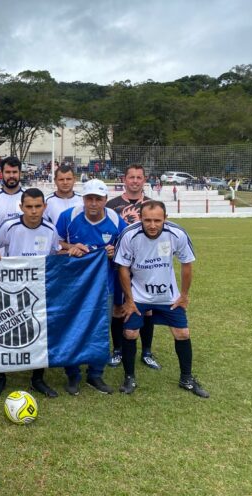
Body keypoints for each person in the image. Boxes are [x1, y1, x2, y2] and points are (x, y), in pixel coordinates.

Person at [115, 200, 209, 398]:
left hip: (168, 296)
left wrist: (183, 296)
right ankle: (129, 377)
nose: (152, 225)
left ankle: (186, 378)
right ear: (140, 218)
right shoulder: (129, 235)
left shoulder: (177, 234)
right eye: (147, 220)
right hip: (138, 295)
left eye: (157, 220)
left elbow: (187, 264)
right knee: (130, 333)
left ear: (165, 218)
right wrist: (129, 300)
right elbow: (122, 268)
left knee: (182, 333)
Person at [0, 188, 61, 398]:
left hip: (38, 290)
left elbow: (55, 253)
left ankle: (38, 378)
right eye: (29, 206)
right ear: (21, 207)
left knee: (38, 332)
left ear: (44, 207)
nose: (34, 211)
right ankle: (0, 375)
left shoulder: (50, 229)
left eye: (38, 206)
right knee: (4, 329)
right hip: (10, 288)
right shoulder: (9, 226)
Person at [55, 179, 126, 396]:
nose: (93, 203)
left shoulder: (115, 220)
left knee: (100, 329)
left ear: (105, 200)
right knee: (73, 326)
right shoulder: (69, 217)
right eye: (89, 198)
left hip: (104, 284)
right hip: (73, 285)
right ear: (83, 199)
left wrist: (116, 253)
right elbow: (55, 244)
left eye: (98, 199)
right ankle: (73, 373)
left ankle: (96, 373)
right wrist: (70, 247)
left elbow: (126, 250)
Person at [106, 164, 160, 371]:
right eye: (131, 177)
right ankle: (118, 350)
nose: (135, 181)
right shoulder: (112, 206)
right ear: (124, 179)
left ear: (144, 180)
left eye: (139, 177)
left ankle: (147, 351)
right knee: (119, 309)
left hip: (146, 267)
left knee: (147, 310)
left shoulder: (153, 205)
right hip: (120, 265)